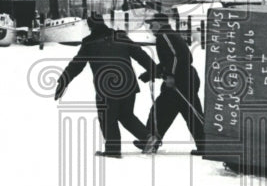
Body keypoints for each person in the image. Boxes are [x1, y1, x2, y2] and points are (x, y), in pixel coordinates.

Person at [54, 13, 158, 157]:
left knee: (107, 117)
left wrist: (63, 81)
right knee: (126, 115)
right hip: (128, 83)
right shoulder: (120, 36)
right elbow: (140, 54)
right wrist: (155, 70)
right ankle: (147, 138)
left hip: (107, 86)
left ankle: (113, 150)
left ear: (90, 26)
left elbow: (76, 65)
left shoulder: (89, 43)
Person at [135, 12, 205, 155]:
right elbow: (171, 60)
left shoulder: (164, 35)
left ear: (159, 23)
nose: (150, 27)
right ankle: (150, 141)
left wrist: (172, 76)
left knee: (189, 113)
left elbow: (181, 57)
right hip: (182, 81)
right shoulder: (168, 35)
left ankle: (150, 141)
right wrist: (151, 74)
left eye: (151, 24)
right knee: (164, 111)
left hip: (181, 82)